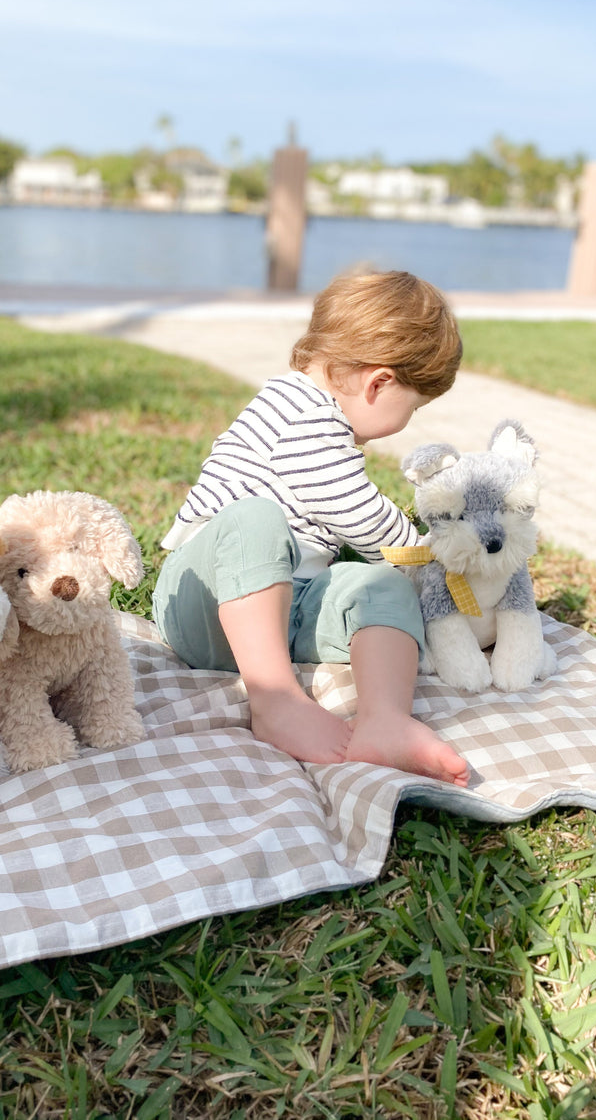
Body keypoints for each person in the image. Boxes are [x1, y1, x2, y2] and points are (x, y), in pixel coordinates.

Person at [152, 269, 470, 786]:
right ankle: (275, 698)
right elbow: (354, 510)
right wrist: (421, 552)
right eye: (412, 407)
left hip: (286, 611)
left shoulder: (324, 420)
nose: (407, 421)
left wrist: (397, 576)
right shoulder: (301, 412)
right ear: (379, 383)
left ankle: (384, 718)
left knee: (378, 584)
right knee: (256, 518)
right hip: (204, 601)